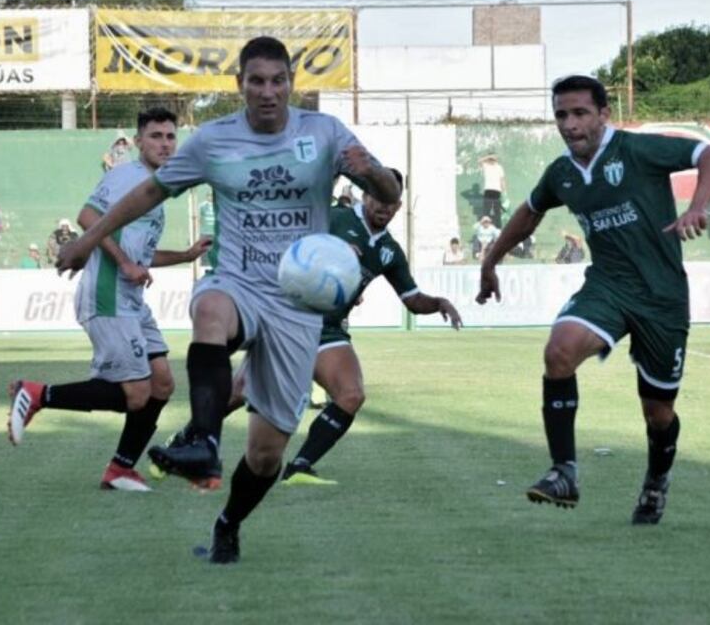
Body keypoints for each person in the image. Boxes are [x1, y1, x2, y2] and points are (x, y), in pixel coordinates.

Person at [55, 37, 400, 564]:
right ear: (239, 85)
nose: (268, 92)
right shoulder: (213, 140)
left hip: (298, 305)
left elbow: (388, 193)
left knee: (266, 455)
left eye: (277, 81)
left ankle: (228, 524)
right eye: (256, 81)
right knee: (208, 311)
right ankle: (205, 443)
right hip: (238, 279)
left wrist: (371, 173)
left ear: (291, 84)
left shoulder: (324, 132)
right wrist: (85, 241)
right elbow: (148, 193)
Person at [476, 75, 710, 525]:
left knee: (658, 413)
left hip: (661, 297)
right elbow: (530, 212)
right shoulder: (563, 174)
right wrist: (490, 261)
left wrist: (698, 206)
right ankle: (564, 471)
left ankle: (655, 481)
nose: (569, 125)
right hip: (607, 287)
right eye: (561, 115)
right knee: (559, 351)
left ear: (603, 114)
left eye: (579, 113)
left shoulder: (637, 151)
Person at [210, 169, 462, 485]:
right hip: (290, 319)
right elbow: (287, 247)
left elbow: (412, 300)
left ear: (399, 206)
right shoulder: (334, 218)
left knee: (351, 395)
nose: (385, 207)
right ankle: (186, 439)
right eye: (379, 198)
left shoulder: (389, 251)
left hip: (329, 330)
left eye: (392, 202)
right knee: (239, 391)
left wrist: (438, 302)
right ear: (366, 195)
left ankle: (300, 467)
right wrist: (331, 250)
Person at [7, 107, 212, 493]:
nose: (165, 144)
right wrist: (123, 264)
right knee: (136, 393)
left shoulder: (156, 185)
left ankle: (120, 469)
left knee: (162, 384)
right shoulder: (127, 176)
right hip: (107, 293)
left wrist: (184, 256)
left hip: (131, 299)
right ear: (138, 142)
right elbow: (87, 217)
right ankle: (35, 394)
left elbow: (142, 257)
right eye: (156, 136)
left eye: (170, 137)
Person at [479, 153, 507, 227]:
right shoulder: (485, 166)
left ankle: (498, 228)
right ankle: (484, 227)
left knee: (497, 210)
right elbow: (479, 161)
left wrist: (504, 192)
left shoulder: (499, 167)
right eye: (491, 159)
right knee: (486, 210)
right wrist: (488, 157)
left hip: (497, 191)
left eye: (493, 159)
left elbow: (502, 180)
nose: (492, 160)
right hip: (488, 190)